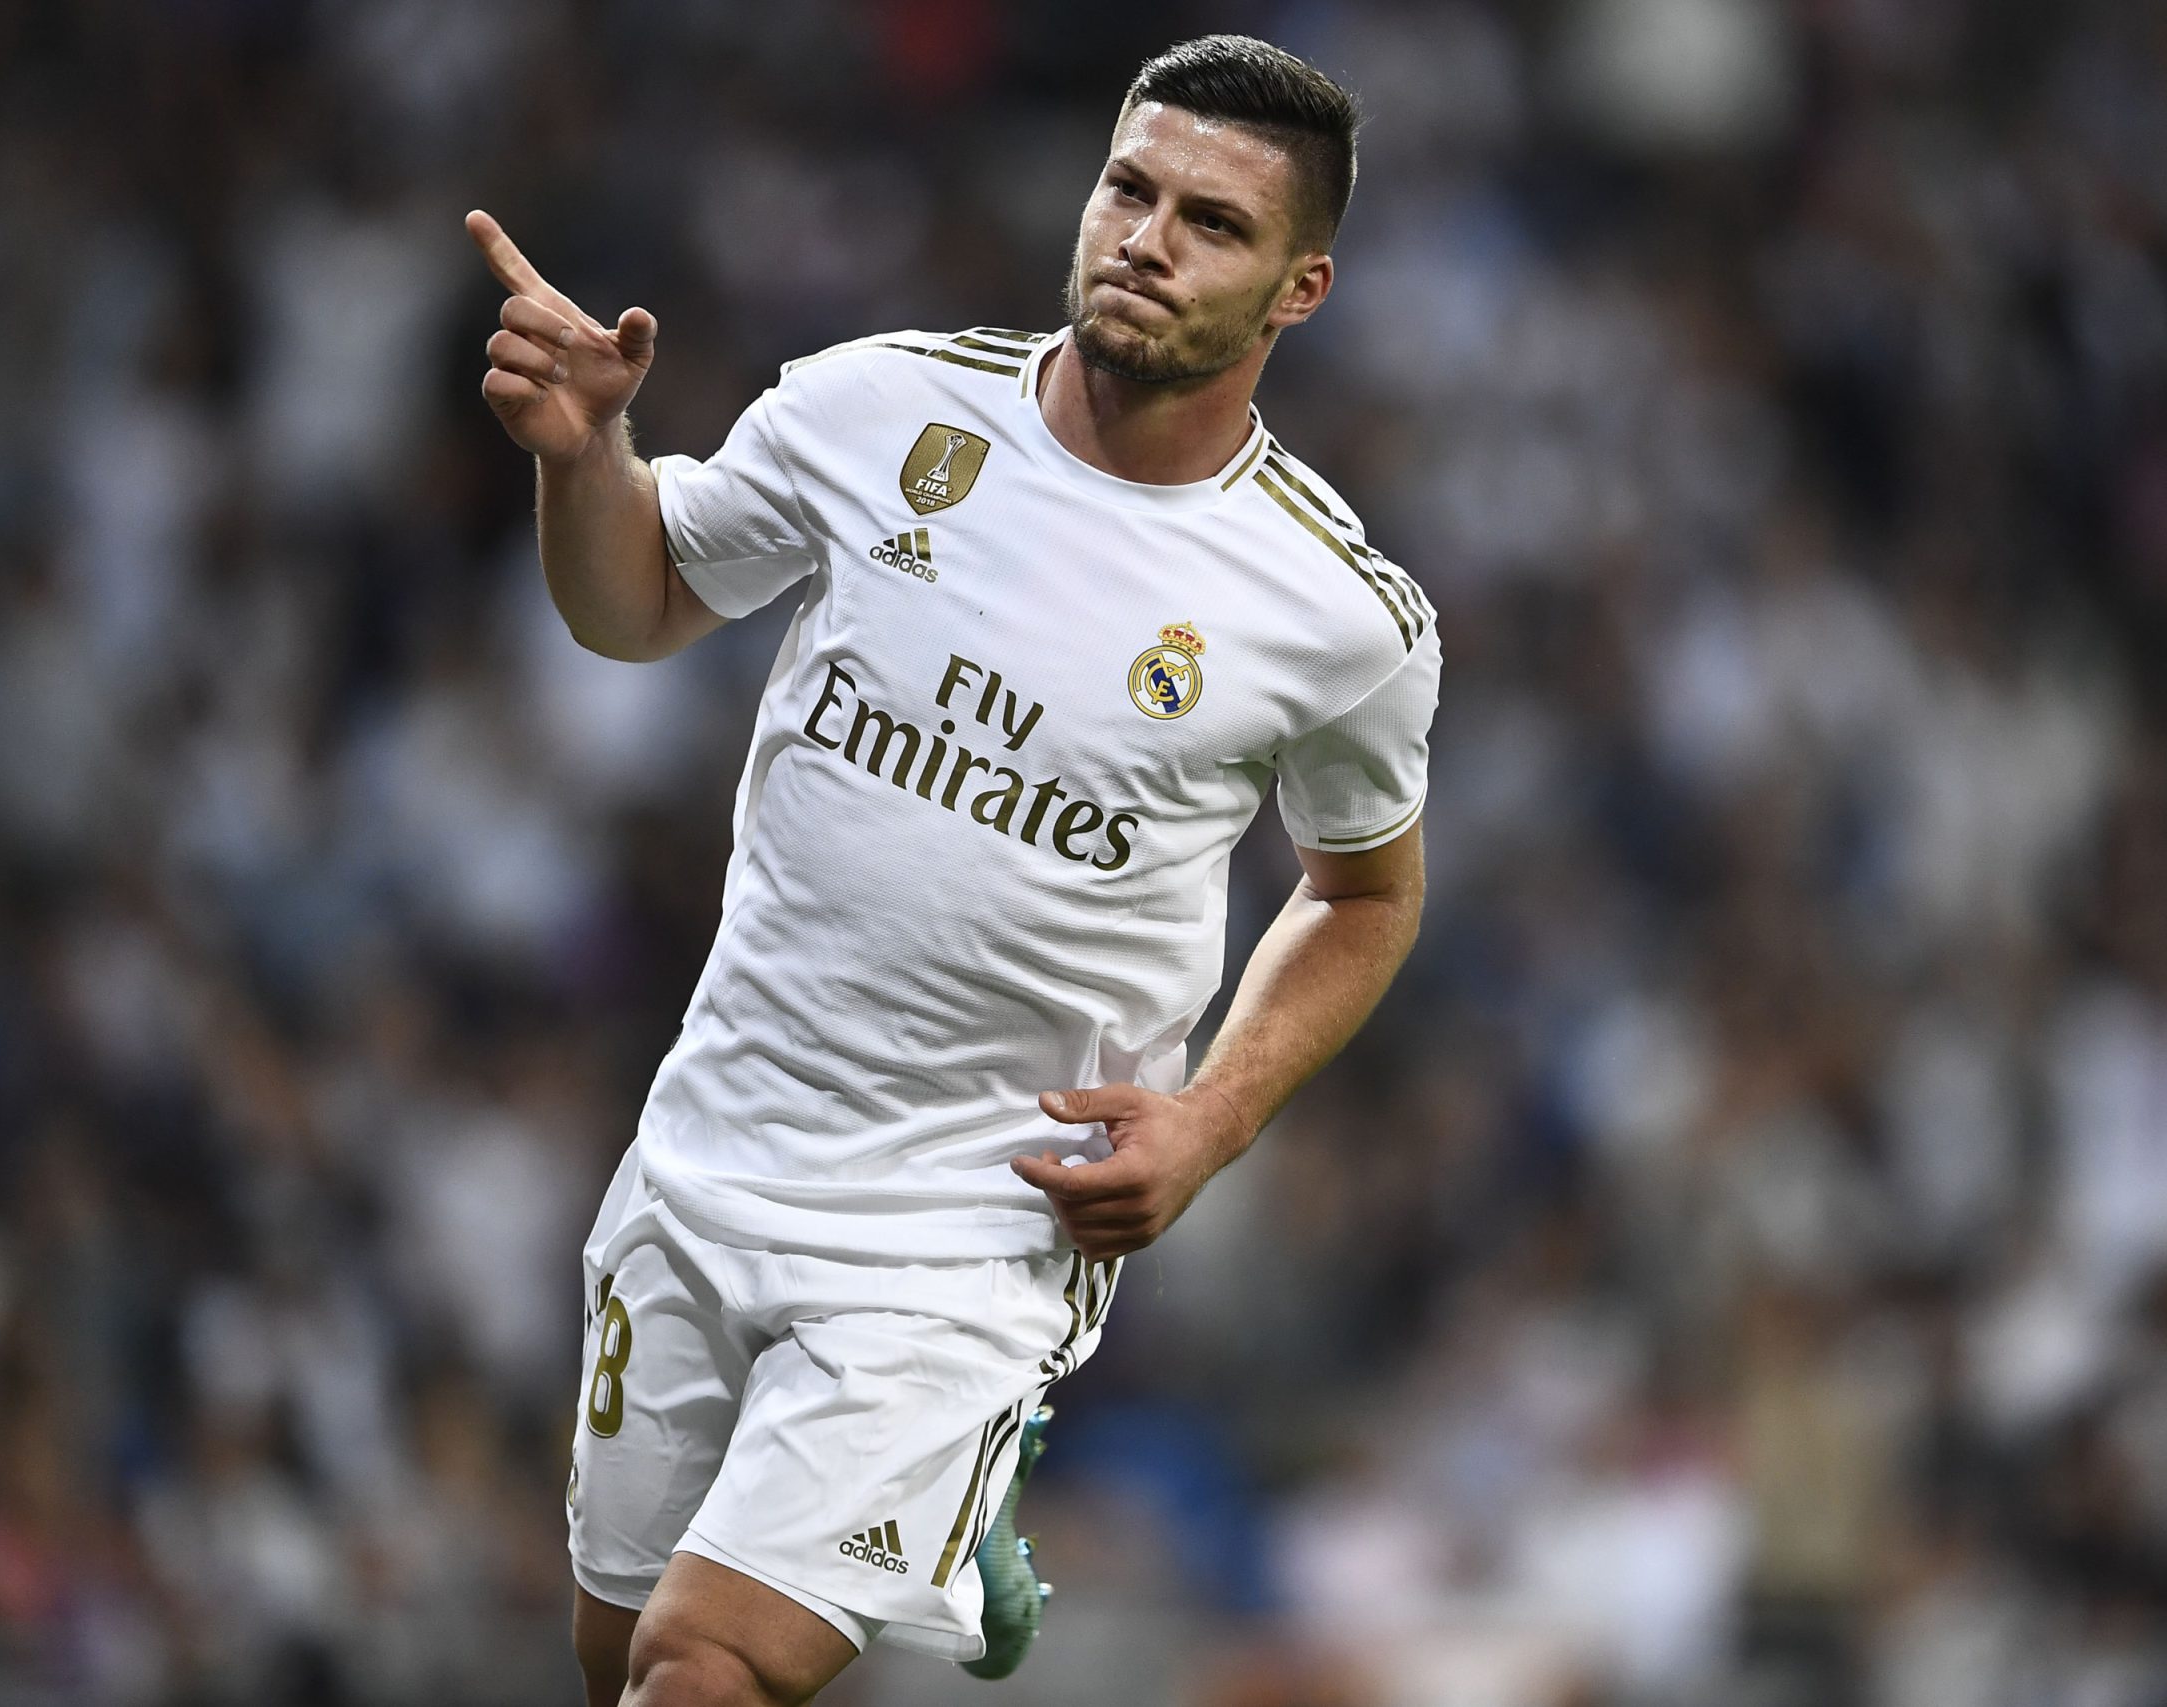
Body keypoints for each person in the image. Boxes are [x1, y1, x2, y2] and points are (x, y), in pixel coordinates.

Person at [467, 34, 1438, 1707]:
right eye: (1130, 189)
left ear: (1301, 288)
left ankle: (951, 1452)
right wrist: (584, 464)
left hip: (971, 1225)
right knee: (615, 1653)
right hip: (715, 1148)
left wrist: (1207, 1125)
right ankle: (953, 1520)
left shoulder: (1336, 613)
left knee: (699, 1673)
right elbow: (632, 607)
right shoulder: (879, 405)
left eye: (1212, 222)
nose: (1148, 237)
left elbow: (1365, 892)